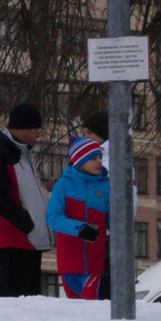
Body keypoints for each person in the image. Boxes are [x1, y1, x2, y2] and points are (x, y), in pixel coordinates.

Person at [0, 100, 48, 297]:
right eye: (36, 128)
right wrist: (27, 224)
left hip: (30, 241)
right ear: (24, 128)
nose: (38, 134)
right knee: (14, 302)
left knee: (30, 305)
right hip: (13, 241)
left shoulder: (23, 153)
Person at [43, 102, 111, 299]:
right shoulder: (64, 185)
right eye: (93, 158)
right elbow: (53, 217)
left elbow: (111, 217)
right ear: (80, 161)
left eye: (100, 157)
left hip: (94, 262)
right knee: (76, 310)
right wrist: (79, 228)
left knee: (90, 304)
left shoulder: (105, 186)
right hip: (69, 261)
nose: (99, 162)